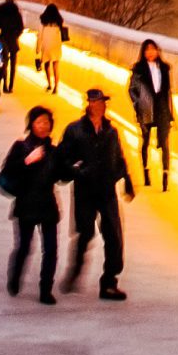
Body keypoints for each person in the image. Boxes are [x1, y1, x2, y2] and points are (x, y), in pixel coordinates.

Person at [58, 87, 135, 300]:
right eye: (96, 102)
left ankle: (109, 281)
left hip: (107, 190)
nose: (100, 105)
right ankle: (75, 270)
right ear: (89, 104)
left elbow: (118, 157)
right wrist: (76, 170)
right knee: (85, 233)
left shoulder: (111, 131)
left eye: (102, 102)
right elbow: (62, 157)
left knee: (114, 236)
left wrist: (126, 179)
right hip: (85, 189)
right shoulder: (75, 130)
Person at [0, 105, 63, 304]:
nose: (43, 126)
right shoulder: (20, 147)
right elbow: (8, 170)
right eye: (39, 122)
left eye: (46, 122)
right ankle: (15, 278)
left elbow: (61, 175)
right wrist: (27, 160)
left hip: (47, 205)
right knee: (24, 247)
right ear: (31, 125)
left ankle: (46, 290)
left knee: (51, 249)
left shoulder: (53, 151)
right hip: (26, 205)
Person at [128, 38, 173, 191]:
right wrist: (138, 104)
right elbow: (131, 89)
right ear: (143, 52)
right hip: (146, 109)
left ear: (157, 51)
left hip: (162, 109)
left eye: (153, 49)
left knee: (164, 143)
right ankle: (146, 172)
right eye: (147, 49)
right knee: (146, 141)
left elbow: (168, 92)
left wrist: (171, 113)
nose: (150, 52)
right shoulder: (138, 70)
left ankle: (165, 175)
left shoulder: (164, 69)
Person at [0, 0, 26, 90]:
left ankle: (5, 83)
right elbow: (21, 27)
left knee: (3, 63)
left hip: (2, 40)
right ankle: (11, 85)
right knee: (13, 64)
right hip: (13, 40)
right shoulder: (16, 13)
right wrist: (16, 35)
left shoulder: (0, 12)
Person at [36, 3, 66, 95]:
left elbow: (40, 36)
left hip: (46, 46)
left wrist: (38, 48)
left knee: (47, 65)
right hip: (56, 46)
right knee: (56, 66)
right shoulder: (59, 22)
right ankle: (56, 87)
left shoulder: (43, 22)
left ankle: (49, 84)